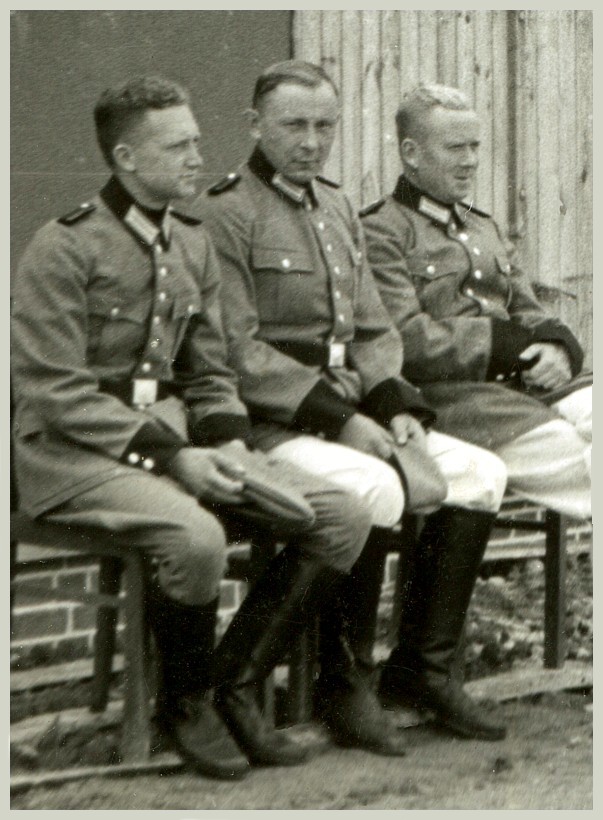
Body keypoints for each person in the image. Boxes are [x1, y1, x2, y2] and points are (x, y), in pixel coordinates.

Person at [10, 75, 376, 781]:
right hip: (70, 456)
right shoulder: (63, 247)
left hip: (177, 441)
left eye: (196, 142)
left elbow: (208, 370)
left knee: (341, 516)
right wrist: (174, 457)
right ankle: (184, 704)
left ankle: (232, 683)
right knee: (197, 537)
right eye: (176, 147)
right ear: (126, 158)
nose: (196, 158)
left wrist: (229, 439)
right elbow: (53, 390)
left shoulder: (191, 243)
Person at [197, 60, 509, 742]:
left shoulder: (336, 207)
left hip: (350, 411)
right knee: (374, 488)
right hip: (271, 422)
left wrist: (393, 403)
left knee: (479, 474)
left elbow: (372, 327)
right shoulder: (225, 213)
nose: (311, 142)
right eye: (294, 126)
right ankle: (342, 679)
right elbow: (235, 349)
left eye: (325, 126)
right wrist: (339, 419)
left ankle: (421, 670)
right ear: (254, 125)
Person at [361, 83, 591, 521]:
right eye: (455, 148)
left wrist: (555, 347)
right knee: (586, 472)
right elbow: (403, 338)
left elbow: (527, 308)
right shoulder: (381, 231)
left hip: (534, 385)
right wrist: (504, 344)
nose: (470, 161)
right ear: (411, 153)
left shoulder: (482, 227)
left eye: (475, 147)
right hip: (461, 404)